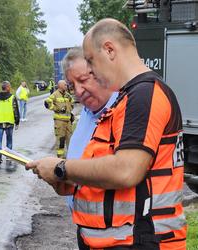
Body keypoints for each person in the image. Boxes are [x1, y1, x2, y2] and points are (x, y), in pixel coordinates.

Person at [26, 18, 186, 250]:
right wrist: (67, 181)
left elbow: (126, 170)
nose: (90, 69)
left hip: (139, 241)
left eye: (91, 61)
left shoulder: (144, 95)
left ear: (109, 50)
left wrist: (62, 167)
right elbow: (108, 169)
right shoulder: (126, 99)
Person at [62, 47, 118, 211]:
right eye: (72, 85)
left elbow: (120, 172)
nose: (78, 91)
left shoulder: (122, 110)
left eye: (83, 80)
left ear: (101, 73)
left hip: (113, 232)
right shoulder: (87, 113)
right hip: (86, 225)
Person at [0, 81, 20, 166]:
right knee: (9, 139)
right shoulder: (12, 97)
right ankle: (8, 156)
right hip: (9, 122)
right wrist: (17, 121)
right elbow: (15, 110)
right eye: (9, 86)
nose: (10, 88)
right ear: (7, 87)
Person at [44, 80, 74, 158]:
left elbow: (72, 103)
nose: (66, 86)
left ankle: (71, 157)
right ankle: (60, 158)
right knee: (61, 140)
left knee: (70, 140)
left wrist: (69, 111)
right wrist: (56, 109)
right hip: (59, 122)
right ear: (60, 86)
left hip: (68, 121)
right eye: (65, 85)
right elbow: (47, 103)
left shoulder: (67, 95)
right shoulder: (55, 94)